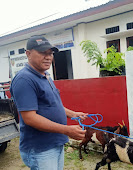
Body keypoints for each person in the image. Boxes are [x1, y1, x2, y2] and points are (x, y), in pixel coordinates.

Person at [10, 35, 88, 170]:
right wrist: (66, 130)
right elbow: (30, 118)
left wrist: (72, 114)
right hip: (40, 148)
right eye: (42, 52)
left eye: (50, 53)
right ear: (28, 54)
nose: (48, 57)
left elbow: (53, 104)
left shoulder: (45, 75)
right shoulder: (24, 79)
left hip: (54, 142)